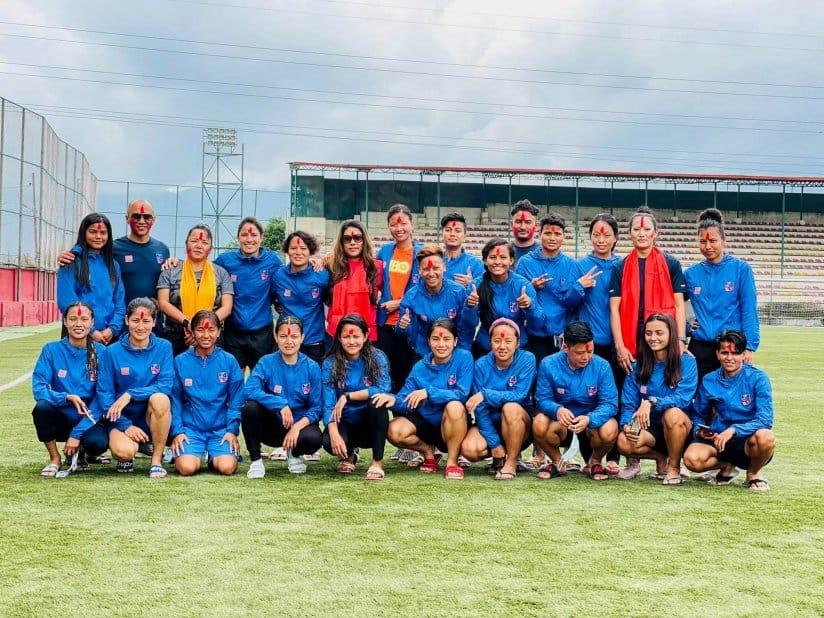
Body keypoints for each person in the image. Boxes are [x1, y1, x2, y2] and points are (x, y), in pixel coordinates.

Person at [609, 207, 687, 479]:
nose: (641, 233)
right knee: (628, 397)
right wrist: (620, 345)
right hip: (631, 343)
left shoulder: (671, 263)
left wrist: (679, 338)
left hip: (661, 339)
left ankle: (669, 456)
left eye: (646, 229)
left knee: (666, 392)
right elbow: (615, 309)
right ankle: (632, 460)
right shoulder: (621, 266)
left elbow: (679, 304)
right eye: (635, 229)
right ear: (628, 234)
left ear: (656, 232)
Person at [377, 319, 473, 479]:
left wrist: (428, 392)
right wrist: (392, 400)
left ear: (455, 341)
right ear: (428, 341)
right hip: (426, 423)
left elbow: (462, 393)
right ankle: (428, 451)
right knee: (393, 430)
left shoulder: (464, 358)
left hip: (453, 423)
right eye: (436, 339)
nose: (441, 344)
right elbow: (404, 398)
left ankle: (452, 462)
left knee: (454, 405)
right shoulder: (420, 367)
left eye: (446, 339)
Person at [684, 330, 775, 491]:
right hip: (719, 439)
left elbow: (765, 420)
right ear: (718, 354)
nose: (729, 358)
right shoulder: (709, 380)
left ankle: (753, 473)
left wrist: (734, 430)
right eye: (724, 352)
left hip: (747, 441)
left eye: (735, 353)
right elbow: (698, 414)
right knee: (691, 459)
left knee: (766, 437)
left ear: (743, 355)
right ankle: (727, 466)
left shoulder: (759, 378)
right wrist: (700, 431)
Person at [532, 321, 619, 481]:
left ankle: (594, 462)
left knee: (610, 428)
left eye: (590, 351)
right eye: (579, 353)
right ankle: (557, 462)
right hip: (561, 423)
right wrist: (557, 409)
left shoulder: (602, 366)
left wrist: (590, 418)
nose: (586, 357)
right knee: (538, 422)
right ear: (565, 347)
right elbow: (542, 399)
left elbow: (610, 404)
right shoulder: (548, 364)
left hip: (590, 424)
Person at [617, 313, 697, 485]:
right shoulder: (638, 366)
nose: (653, 338)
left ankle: (674, 468)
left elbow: (682, 399)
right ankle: (661, 457)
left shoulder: (686, 362)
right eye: (648, 333)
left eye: (659, 333)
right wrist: (626, 424)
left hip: (679, 426)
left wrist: (651, 402)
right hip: (650, 426)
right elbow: (629, 403)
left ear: (671, 334)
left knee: (673, 413)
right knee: (623, 441)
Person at [97, 298, 173, 478]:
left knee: (161, 398)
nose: (141, 327)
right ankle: (128, 450)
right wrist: (125, 425)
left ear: (154, 322)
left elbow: (166, 385)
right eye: (135, 320)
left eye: (146, 321)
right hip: (121, 418)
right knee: (125, 452)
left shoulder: (164, 347)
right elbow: (104, 394)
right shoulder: (111, 352)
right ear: (126, 320)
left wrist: (131, 393)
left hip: (150, 416)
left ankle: (156, 461)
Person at [31, 302, 109, 476]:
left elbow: (103, 396)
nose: (78, 324)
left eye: (84, 319)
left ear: (92, 322)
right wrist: (66, 397)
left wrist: (77, 433)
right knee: (42, 408)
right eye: (73, 319)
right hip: (61, 413)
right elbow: (39, 388)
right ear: (65, 322)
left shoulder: (102, 353)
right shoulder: (51, 350)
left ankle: (82, 451)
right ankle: (55, 458)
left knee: (98, 444)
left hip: (89, 416)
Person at [242, 316, 323, 478]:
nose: (288, 341)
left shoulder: (312, 367)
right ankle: (256, 460)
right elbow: (249, 389)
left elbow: (317, 407)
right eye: (283, 336)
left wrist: (297, 427)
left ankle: (294, 454)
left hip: (298, 426)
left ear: (302, 338)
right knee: (250, 408)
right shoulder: (266, 362)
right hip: (272, 425)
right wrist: (279, 403)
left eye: (294, 336)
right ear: (275, 337)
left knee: (314, 439)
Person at [684, 208, 759, 380]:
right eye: (702, 241)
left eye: (713, 240)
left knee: (727, 402)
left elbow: (749, 311)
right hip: (699, 349)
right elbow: (676, 305)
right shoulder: (691, 274)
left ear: (724, 240)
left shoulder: (741, 270)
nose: (707, 246)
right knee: (697, 402)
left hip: (729, 347)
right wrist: (686, 327)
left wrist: (749, 347)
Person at [169, 310, 244, 477]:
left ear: (218, 332)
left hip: (220, 430)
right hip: (191, 430)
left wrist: (231, 430)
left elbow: (237, 400)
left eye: (211, 330)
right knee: (186, 468)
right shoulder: (180, 361)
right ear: (192, 331)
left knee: (227, 468)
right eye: (201, 330)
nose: (206, 335)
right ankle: (194, 453)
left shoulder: (229, 361)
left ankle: (213, 456)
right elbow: (174, 400)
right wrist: (178, 431)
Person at [58, 199, 170, 310]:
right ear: (127, 218)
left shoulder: (163, 249)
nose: (141, 221)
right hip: (122, 322)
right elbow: (89, 250)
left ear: (153, 220)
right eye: (136, 216)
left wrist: (174, 262)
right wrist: (71, 253)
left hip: (151, 321)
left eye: (146, 217)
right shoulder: (113, 248)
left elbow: (168, 282)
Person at [460, 319, 536, 480]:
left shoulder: (527, 359)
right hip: (492, 423)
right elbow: (480, 409)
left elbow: (519, 395)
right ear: (490, 342)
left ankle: (512, 461)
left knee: (510, 407)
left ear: (517, 343)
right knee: (470, 449)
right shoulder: (481, 365)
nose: (502, 347)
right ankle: (498, 455)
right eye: (497, 341)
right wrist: (495, 443)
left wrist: (486, 394)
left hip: (520, 424)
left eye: (508, 341)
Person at [578, 214, 624, 475]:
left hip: (619, 345)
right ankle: (589, 456)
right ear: (590, 236)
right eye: (597, 234)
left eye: (607, 235)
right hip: (589, 346)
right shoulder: (581, 266)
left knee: (614, 397)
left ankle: (614, 455)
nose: (602, 239)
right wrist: (579, 287)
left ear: (616, 237)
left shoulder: (623, 265)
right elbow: (569, 303)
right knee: (588, 399)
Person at [515, 212, 594, 362]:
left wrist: (580, 287)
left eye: (557, 234)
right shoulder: (525, 263)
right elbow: (517, 296)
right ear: (540, 234)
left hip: (562, 335)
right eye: (548, 233)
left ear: (563, 236)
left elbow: (574, 305)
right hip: (533, 334)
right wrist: (532, 287)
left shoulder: (572, 265)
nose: (552, 238)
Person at [321, 314, 391, 480]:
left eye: (356, 336)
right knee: (329, 442)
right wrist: (333, 432)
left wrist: (348, 396)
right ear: (339, 337)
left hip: (369, 423)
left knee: (378, 403)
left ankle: (377, 462)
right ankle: (349, 455)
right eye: (346, 336)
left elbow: (383, 388)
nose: (351, 341)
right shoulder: (330, 363)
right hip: (345, 421)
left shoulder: (377, 357)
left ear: (366, 336)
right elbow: (328, 403)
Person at [213, 217, 283, 371]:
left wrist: (315, 263)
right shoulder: (225, 261)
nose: (249, 239)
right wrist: (175, 263)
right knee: (232, 381)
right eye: (244, 235)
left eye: (254, 235)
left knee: (263, 381)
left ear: (261, 237)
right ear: (238, 238)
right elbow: (201, 268)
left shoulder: (273, 261)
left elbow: (291, 275)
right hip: (233, 334)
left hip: (262, 334)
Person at [156, 224, 234, 356]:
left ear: (210, 248)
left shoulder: (221, 273)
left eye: (204, 242)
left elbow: (227, 307)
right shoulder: (170, 271)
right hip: (176, 336)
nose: (199, 245)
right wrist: (188, 324)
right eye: (194, 241)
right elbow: (163, 303)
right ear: (186, 244)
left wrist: (203, 328)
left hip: (211, 336)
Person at [396, 244, 477, 359]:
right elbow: (402, 333)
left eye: (436, 268)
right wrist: (403, 327)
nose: (431, 273)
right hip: (423, 355)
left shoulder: (458, 292)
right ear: (419, 270)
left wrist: (461, 354)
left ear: (444, 267)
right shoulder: (411, 297)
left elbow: (467, 327)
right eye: (426, 269)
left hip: (454, 353)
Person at [56, 212, 125, 345]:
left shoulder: (114, 265)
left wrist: (112, 329)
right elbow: (67, 303)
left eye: (103, 233)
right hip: (79, 336)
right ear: (84, 233)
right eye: (93, 232)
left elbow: (119, 303)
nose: (98, 236)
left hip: (109, 338)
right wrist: (91, 331)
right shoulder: (71, 263)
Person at [468, 238, 543, 358]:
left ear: (511, 260)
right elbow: (468, 324)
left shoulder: (523, 285)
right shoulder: (475, 286)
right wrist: (470, 307)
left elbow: (538, 323)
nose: (497, 262)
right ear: (485, 261)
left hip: (518, 348)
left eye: (503, 257)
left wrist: (530, 307)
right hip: (485, 347)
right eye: (492, 257)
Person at [376, 204, 423, 391]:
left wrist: (400, 303)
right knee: (387, 376)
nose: (399, 229)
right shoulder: (385, 252)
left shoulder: (422, 253)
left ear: (411, 224)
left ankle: (407, 418)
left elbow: (427, 287)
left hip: (410, 324)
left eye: (403, 223)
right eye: (393, 225)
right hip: (386, 324)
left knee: (407, 376)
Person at [270, 231, 331, 363]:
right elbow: (271, 298)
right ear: (287, 250)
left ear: (310, 251)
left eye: (303, 248)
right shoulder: (278, 276)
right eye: (293, 248)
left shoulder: (321, 275)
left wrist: (323, 261)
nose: (298, 252)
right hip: (288, 342)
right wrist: (277, 304)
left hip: (314, 342)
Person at [326, 220, 383, 343]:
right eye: (347, 239)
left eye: (357, 238)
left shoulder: (376, 267)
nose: (352, 243)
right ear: (341, 242)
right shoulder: (330, 266)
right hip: (336, 335)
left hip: (365, 336)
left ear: (364, 240)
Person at [440, 212, 484, 286]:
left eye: (457, 231)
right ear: (442, 233)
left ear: (464, 236)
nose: (452, 234)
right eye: (448, 230)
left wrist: (472, 284)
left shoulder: (476, 264)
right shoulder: (435, 261)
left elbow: (484, 292)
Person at [510, 199, 540, 263]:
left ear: (536, 226)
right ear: (511, 224)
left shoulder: (544, 253)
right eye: (518, 222)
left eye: (528, 222)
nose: (523, 227)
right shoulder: (503, 252)